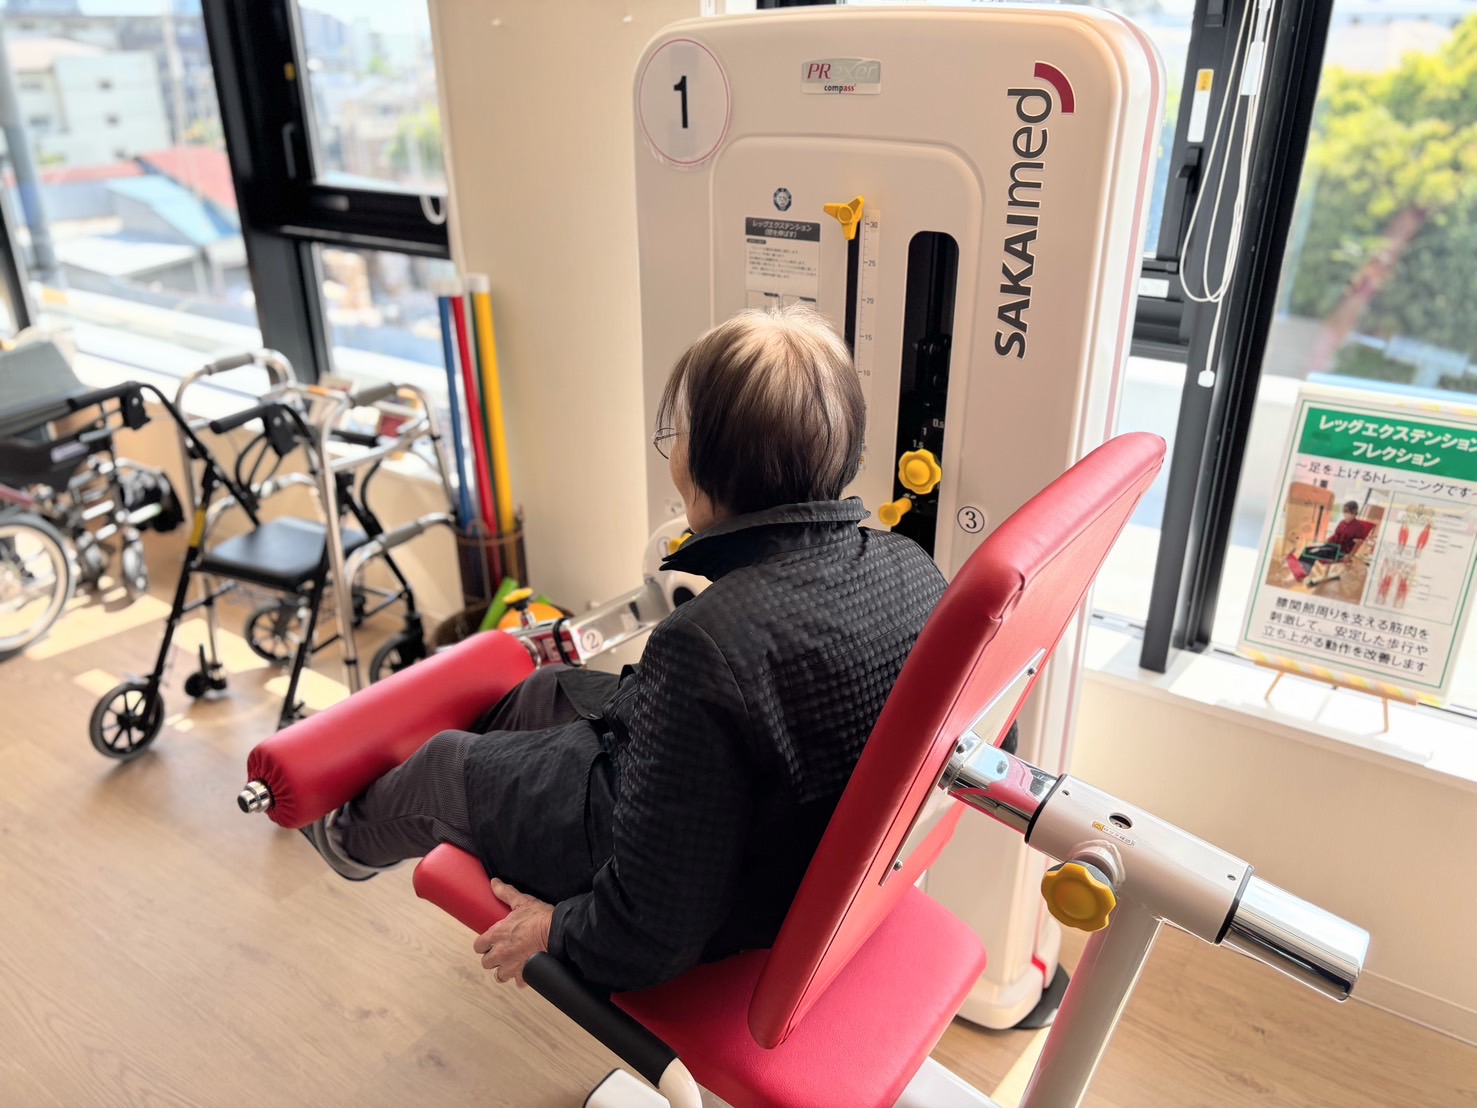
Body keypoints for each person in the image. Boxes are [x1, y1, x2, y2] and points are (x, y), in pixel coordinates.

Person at [301, 305, 949, 993]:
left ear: (711, 463)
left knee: (443, 765)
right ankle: (463, 800)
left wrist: (556, 929)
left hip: (713, 887)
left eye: (681, 433)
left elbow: (655, 929)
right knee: (544, 690)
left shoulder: (706, 640)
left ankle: (342, 836)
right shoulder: (912, 568)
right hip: (771, 830)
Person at [1296, 499, 1367, 577]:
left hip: (1340, 552)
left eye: (1347, 511)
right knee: (1307, 549)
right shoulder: (1342, 522)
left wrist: (1349, 556)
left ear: (1353, 512)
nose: (1344, 513)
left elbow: (1357, 544)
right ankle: (1299, 570)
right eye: (1344, 511)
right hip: (1331, 547)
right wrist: (1327, 540)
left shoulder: (1358, 527)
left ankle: (1302, 573)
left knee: (1312, 553)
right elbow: (1336, 534)